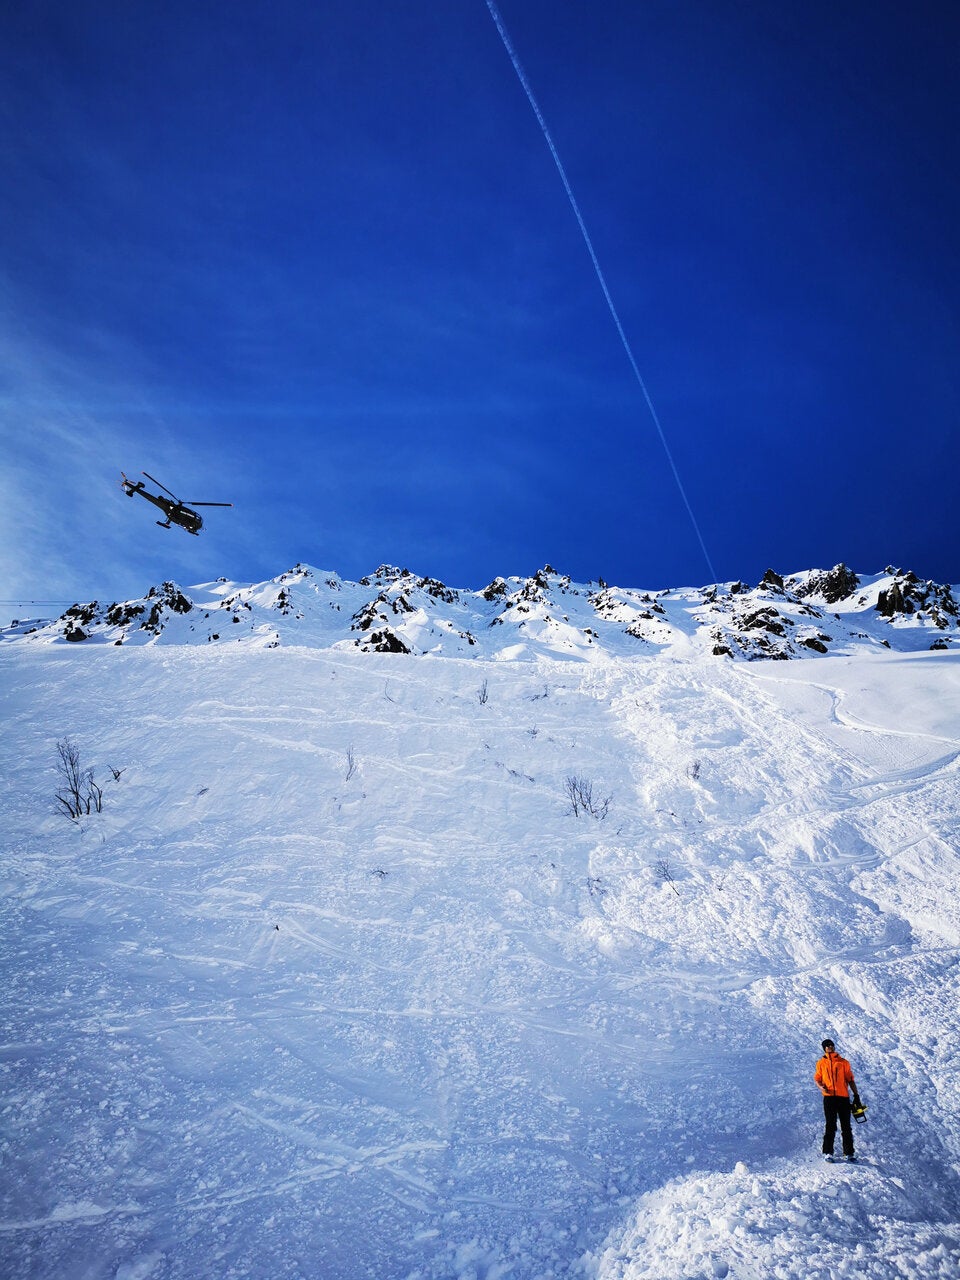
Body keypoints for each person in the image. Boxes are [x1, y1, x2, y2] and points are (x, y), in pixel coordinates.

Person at [815, 1038, 861, 1162]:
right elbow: (817, 1078)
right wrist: (821, 1087)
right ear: (824, 1048)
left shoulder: (843, 1062)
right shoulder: (820, 1063)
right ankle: (828, 1152)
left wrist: (856, 1095)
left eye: (832, 1045)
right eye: (827, 1045)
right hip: (829, 1098)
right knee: (830, 1125)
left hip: (843, 1098)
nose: (830, 1047)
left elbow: (850, 1079)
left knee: (846, 1126)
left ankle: (849, 1153)